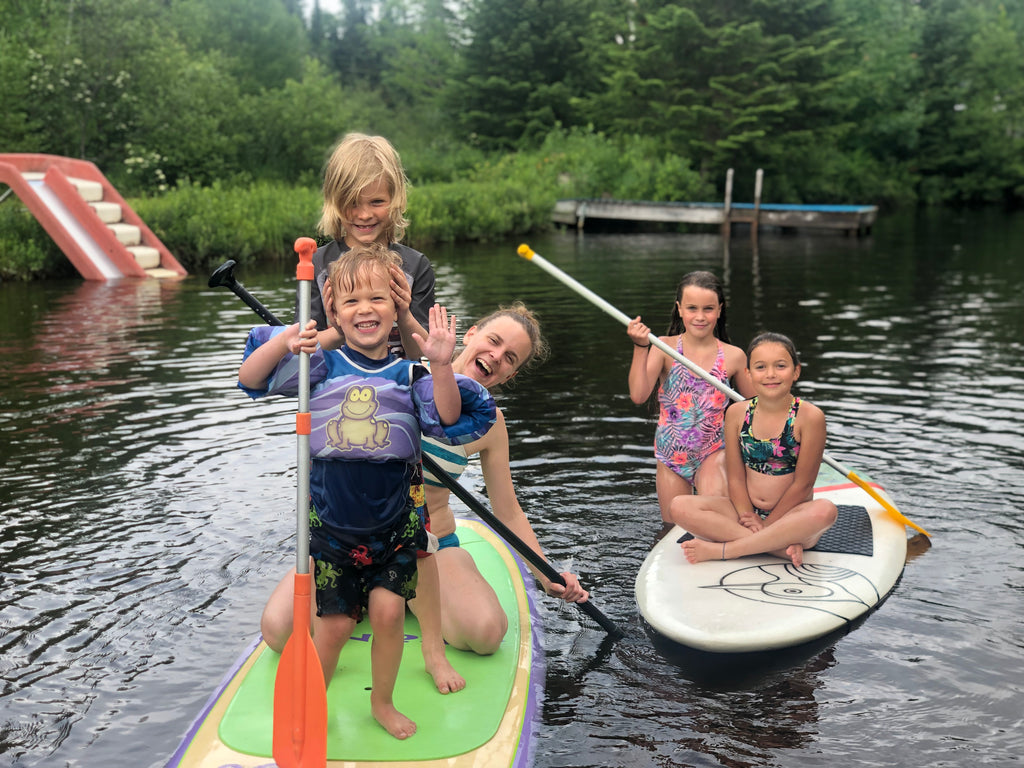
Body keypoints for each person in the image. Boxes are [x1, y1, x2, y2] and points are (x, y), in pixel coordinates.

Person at [238, 244, 496, 739]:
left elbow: (446, 417)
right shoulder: (320, 369)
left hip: (395, 528)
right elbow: (249, 378)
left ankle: (381, 702)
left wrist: (443, 365)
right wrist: (285, 341)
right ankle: (312, 698)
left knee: (388, 612)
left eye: (378, 299)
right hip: (333, 529)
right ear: (332, 310)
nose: (365, 310)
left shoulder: (410, 376)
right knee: (332, 626)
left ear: (396, 311)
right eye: (352, 301)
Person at [281, 132, 467, 695]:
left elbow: (421, 356)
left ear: (396, 201)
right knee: (281, 623)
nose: (365, 215)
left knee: (423, 537)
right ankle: (347, 612)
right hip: (338, 428)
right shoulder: (318, 263)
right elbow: (308, 355)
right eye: (353, 202)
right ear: (335, 201)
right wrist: (336, 323)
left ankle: (430, 648)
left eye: (377, 201)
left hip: (399, 424)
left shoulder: (415, 264)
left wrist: (406, 312)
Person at [413, 303, 589, 655]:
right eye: (493, 341)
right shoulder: (406, 377)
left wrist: (547, 575)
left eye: (510, 358)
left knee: (487, 633)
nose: (496, 357)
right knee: (279, 628)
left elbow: (508, 512)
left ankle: (412, 595)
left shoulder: (492, 424)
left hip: (431, 545)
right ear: (471, 333)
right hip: (363, 534)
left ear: (509, 375)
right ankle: (400, 595)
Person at [671, 332, 838, 567]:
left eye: (780, 366)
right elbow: (736, 477)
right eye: (760, 367)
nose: (770, 374)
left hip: (791, 516)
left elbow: (803, 485)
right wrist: (746, 516)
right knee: (680, 506)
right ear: (748, 374)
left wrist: (770, 524)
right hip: (744, 513)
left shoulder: (809, 417)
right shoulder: (737, 413)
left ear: (796, 371)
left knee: (825, 511)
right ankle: (776, 548)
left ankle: (725, 550)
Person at [626, 271, 753, 523]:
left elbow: (759, 409)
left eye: (708, 309)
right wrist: (641, 347)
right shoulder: (663, 347)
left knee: (715, 519)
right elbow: (639, 395)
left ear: (719, 310)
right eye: (692, 308)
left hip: (714, 453)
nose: (700, 316)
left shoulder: (734, 356)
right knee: (673, 528)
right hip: (671, 455)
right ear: (680, 309)